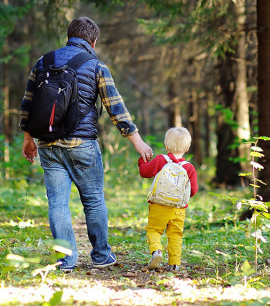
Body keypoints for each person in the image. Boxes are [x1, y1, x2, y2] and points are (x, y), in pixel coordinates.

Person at [19, 16, 153, 271]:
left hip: (48, 144)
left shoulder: (43, 62)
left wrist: (28, 138)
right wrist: (137, 140)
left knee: (57, 204)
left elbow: (28, 102)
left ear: (69, 36)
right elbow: (116, 107)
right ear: (93, 41)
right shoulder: (95, 65)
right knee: (93, 200)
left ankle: (65, 260)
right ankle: (101, 255)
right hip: (83, 145)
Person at [138, 127, 198, 272]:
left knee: (153, 230)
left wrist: (142, 160)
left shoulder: (160, 160)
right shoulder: (189, 168)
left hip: (159, 205)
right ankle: (175, 263)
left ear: (166, 145)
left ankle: (157, 251)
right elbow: (193, 190)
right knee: (176, 235)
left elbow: (144, 172)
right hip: (178, 209)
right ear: (188, 147)